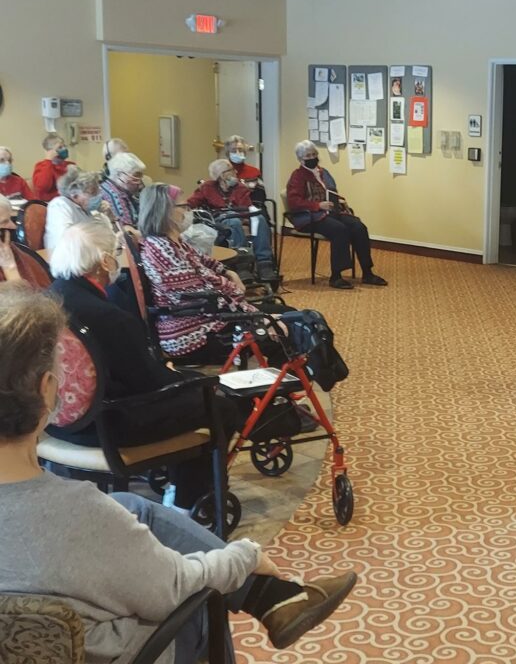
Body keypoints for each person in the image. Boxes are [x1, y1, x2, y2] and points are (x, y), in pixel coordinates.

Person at [0, 283, 358, 663]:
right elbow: (172, 587)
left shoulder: (83, 513)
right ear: (48, 388)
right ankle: (266, 593)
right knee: (203, 595)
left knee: (131, 506)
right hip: (112, 654)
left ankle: (273, 599)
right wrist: (246, 557)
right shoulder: (76, 512)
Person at [47, 221, 240, 510]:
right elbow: (151, 384)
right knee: (217, 403)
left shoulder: (44, 301)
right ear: (104, 260)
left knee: (187, 385)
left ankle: (176, 482)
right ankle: (188, 503)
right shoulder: (108, 316)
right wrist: (177, 376)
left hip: (58, 421)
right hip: (108, 425)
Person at [139, 184, 281, 362]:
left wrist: (230, 273)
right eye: (184, 207)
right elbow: (201, 293)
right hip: (194, 334)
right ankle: (282, 384)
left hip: (206, 319)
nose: (189, 211)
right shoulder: (161, 250)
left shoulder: (174, 242)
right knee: (288, 325)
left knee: (287, 318)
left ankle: (282, 383)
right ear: (166, 211)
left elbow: (206, 261)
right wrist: (234, 289)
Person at [286, 139, 386, 289]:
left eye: (314, 154)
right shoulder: (297, 176)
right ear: (300, 159)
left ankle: (367, 272)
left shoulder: (323, 172)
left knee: (359, 227)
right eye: (308, 156)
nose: (312, 158)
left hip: (331, 212)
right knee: (339, 229)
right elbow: (294, 202)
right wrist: (317, 205)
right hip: (309, 216)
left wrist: (338, 201)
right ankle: (336, 276)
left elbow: (332, 191)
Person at [189, 159, 275, 279]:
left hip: (241, 216)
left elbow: (245, 206)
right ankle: (242, 264)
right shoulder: (207, 187)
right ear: (222, 175)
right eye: (231, 170)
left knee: (260, 218)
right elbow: (192, 202)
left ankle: (264, 263)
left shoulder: (240, 187)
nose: (235, 172)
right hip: (220, 220)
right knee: (232, 220)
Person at [43, 167, 114, 251]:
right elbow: (67, 241)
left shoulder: (88, 210)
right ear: (74, 195)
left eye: (98, 191)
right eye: (92, 192)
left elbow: (109, 236)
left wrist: (108, 216)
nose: (98, 195)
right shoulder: (59, 205)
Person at [99, 151, 146, 228]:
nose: (139, 182)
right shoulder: (115, 196)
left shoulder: (107, 186)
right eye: (136, 176)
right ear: (119, 175)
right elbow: (128, 232)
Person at [32, 132, 72, 202]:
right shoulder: (41, 166)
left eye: (65, 146)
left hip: (69, 202)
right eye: (60, 147)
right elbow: (43, 187)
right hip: (49, 204)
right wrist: (49, 160)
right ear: (50, 151)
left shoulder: (70, 165)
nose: (64, 149)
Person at [0, 195, 22, 283]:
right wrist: (10, 267)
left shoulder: (10, 249)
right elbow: (22, 296)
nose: (14, 226)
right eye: (4, 222)